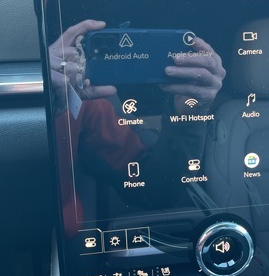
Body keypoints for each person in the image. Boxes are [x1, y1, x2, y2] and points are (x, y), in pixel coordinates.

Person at [48, 19, 226, 236]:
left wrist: (187, 115)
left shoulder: (82, 95)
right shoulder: (75, 89)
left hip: (60, 240)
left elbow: (156, 189)